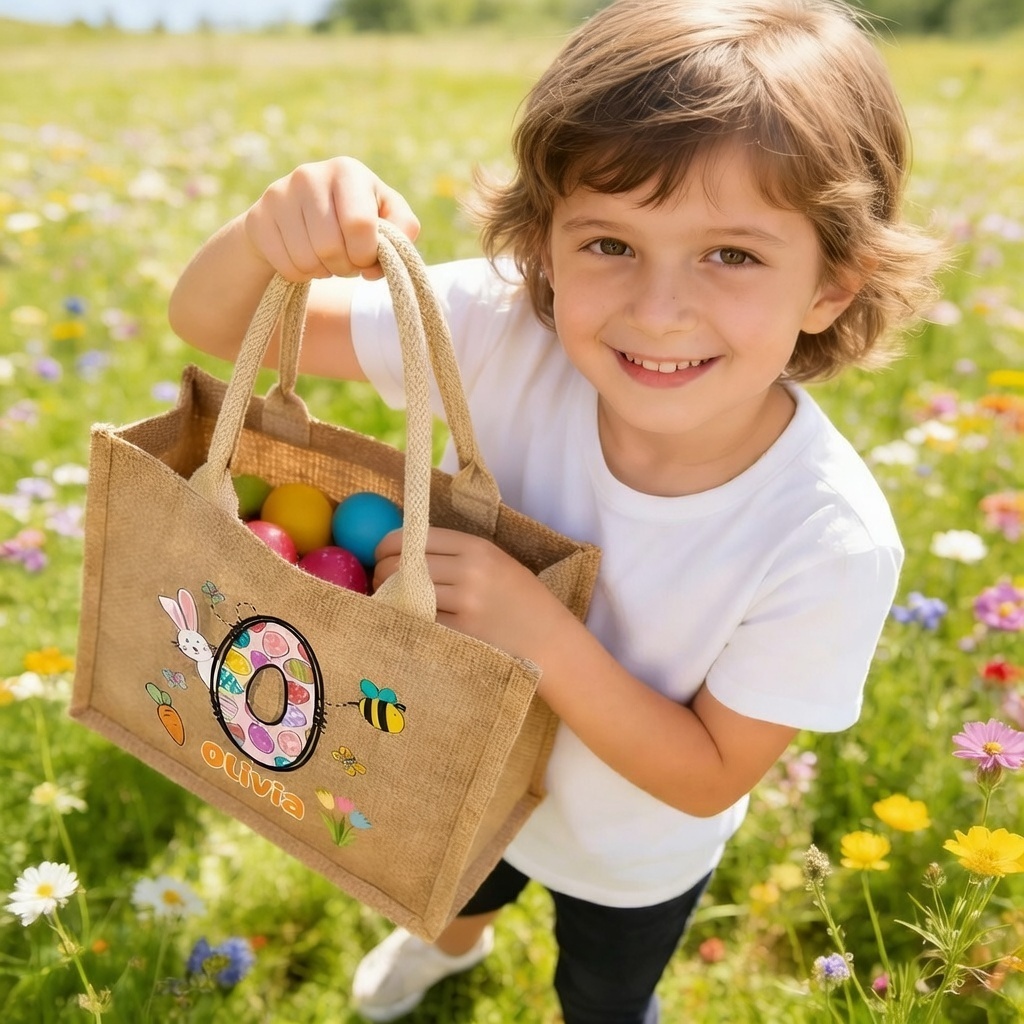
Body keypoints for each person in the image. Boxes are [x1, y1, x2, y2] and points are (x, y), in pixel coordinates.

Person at [169, 1, 943, 1020]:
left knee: (604, 991)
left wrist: (539, 631)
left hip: (631, 849)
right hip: (455, 767)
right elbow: (211, 321)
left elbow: (708, 774)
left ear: (831, 287)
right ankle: (446, 952)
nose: (656, 309)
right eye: (609, 243)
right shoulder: (499, 331)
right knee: (449, 896)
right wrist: (275, 230)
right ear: (541, 246)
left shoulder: (825, 536)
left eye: (733, 256)